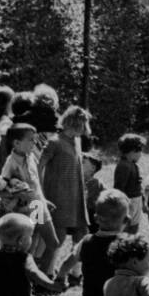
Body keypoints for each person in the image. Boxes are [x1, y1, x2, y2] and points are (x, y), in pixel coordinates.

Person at [38, 105, 92, 285]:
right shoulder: (55, 142)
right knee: (58, 237)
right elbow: (39, 166)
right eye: (80, 124)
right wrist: (40, 192)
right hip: (58, 195)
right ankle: (46, 274)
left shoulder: (75, 142)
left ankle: (76, 273)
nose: (83, 129)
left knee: (81, 233)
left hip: (76, 195)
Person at [0, 123, 60, 269]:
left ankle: (39, 272)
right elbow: (3, 187)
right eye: (31, 140)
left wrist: (43, 200)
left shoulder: (31, 156)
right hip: (24, 210)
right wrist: (15, 191)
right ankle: (31, 276)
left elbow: (36, 182)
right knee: (28, 245)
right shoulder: (10, 163)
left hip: (38, 206)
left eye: (35, 139)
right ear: (17, 143)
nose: (35, 143)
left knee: (51, 242)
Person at [114, 133, 147, 234]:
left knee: (134, 228)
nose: (141, 154)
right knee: (125, 229)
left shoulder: (133, 164)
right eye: (140, 151)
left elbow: (139, 185)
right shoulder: (124, 166)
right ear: (132, 151)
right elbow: (119, 188)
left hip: (136, 201)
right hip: (129, 202)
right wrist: (123, 206)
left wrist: (144, 202)